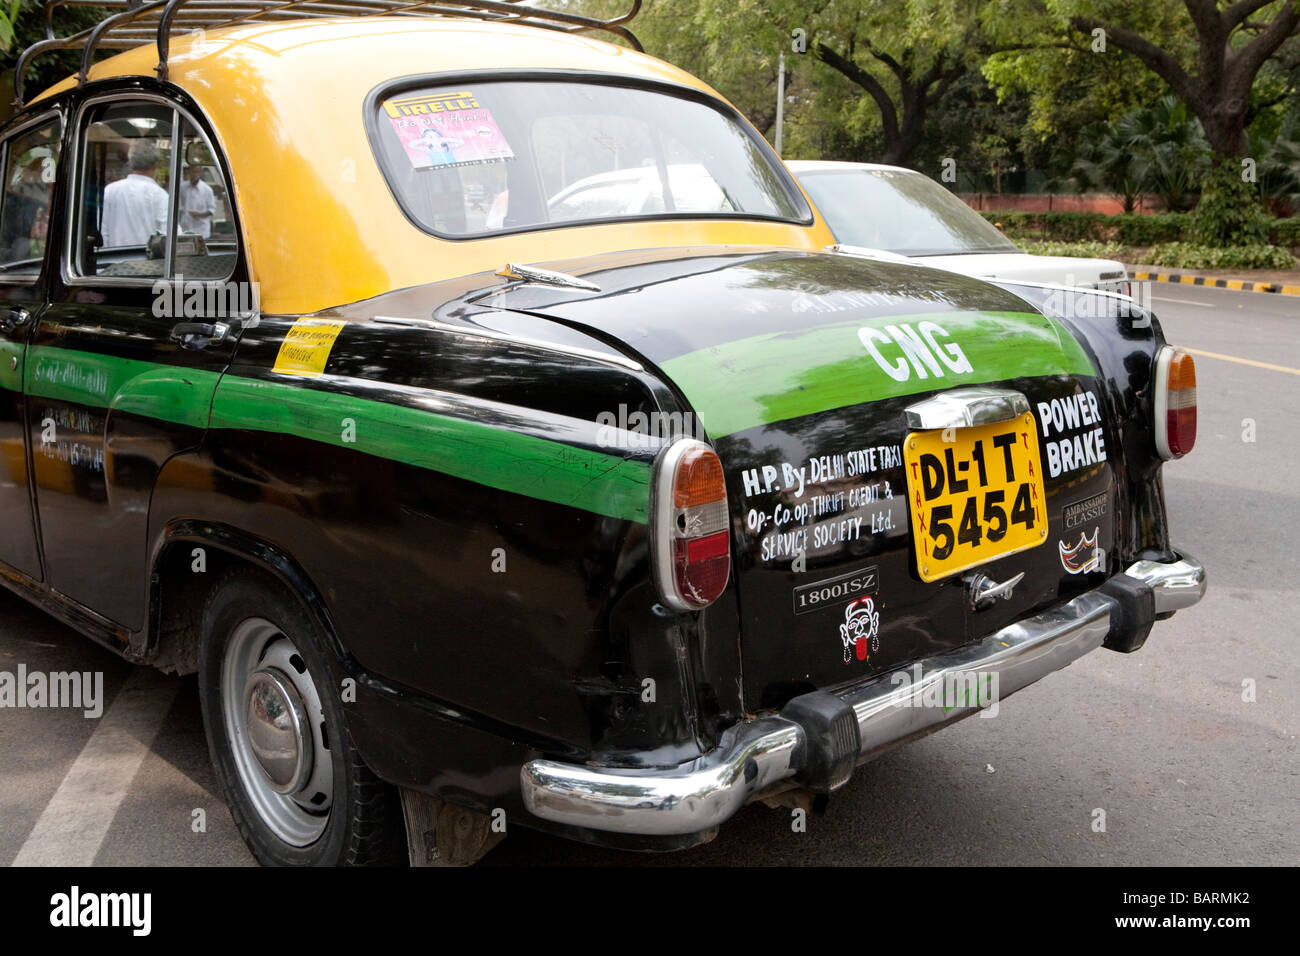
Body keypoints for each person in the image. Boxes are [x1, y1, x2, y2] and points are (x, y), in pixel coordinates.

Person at [101, 140, 168, 248]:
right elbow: (169, 234)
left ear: (130, 163)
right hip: (148, 263)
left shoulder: (110, 190)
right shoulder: (159, 195)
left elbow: (103, 232)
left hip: (114, 261)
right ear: (156, 165)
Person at [179, 161, 215, 237]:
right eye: (193, 172)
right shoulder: (182, 187)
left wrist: (198, 214)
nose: (195, 174)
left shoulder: (207, 190)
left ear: (201, 173)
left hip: (201, 231)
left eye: (197, 172)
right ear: (189, 172)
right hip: (185, 229)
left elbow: (211, 210)